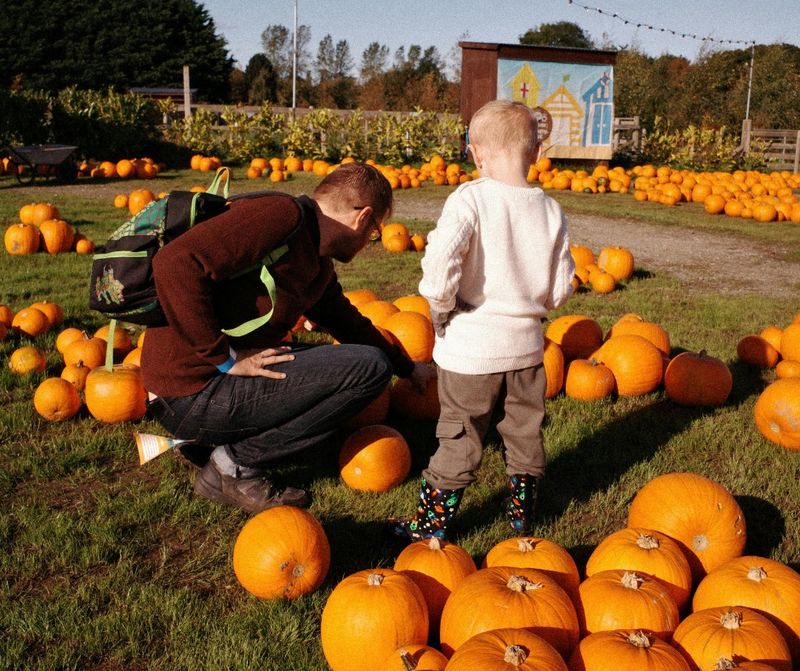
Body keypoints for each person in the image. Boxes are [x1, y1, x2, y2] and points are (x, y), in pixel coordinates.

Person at [141, 162, 432, 514]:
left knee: (361, 362)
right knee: (369, 369)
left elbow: (347, 322)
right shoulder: (280, 216)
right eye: (374, 230)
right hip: (187, 391)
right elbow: (174, 262)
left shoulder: (314, 256)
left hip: (203, 387)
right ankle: (232, 467)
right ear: (363, 217)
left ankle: (211, 442)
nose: (370, 240)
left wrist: (408, 368)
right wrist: (225, 357)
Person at [388, 100, 575, 541]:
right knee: (525, 431)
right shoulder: (550, 210)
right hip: (528, 351)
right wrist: (539, 302)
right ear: (534, 154)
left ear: (477, 153)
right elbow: (562, 284)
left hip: (470, 352)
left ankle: (431, 526)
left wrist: (439, 303)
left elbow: (442, 257)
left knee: (460, 436)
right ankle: (521, 515)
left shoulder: (470, 198)